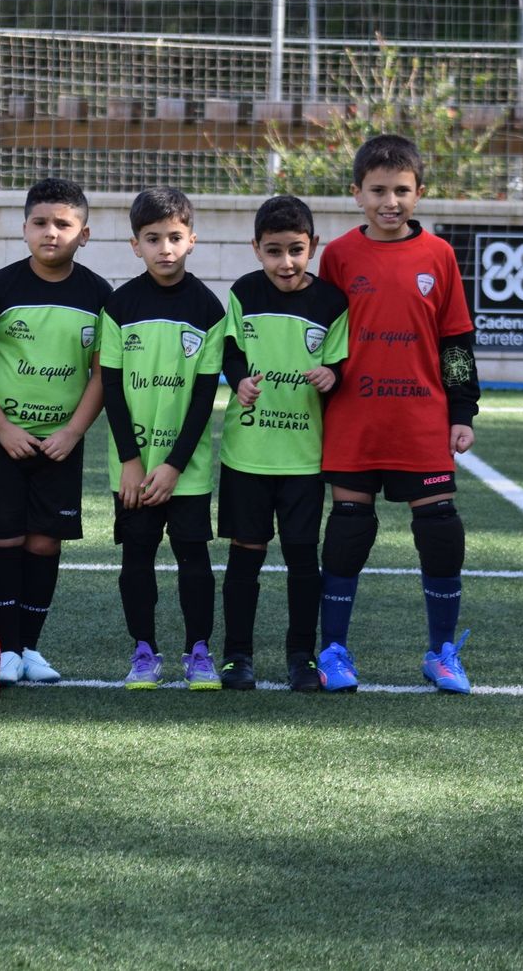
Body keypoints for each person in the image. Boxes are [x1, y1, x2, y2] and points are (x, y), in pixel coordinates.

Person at [315, 134, 480, 693]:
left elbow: (456, 341)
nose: (391, 201)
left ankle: (441, 652)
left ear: (420, 193)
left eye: (402, 190)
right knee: (348, 530)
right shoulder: (336, 256)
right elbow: (323, 339)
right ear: (356, 193)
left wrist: (463, 411)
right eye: (378, 190)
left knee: (439, 529)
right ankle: (333, 651)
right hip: (354, 420)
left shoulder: (439, 256)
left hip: (421, 421)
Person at [0, 178, 111, 686]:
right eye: (41, 223)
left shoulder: (97, 294)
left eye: (64, 224)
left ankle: (31, 646)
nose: (52, 233)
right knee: (3, 539)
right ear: (24, 228)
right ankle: (3, 648)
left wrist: (73, 431)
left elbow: (101, 373)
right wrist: (1, 427)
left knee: (45, 542)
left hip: (59, 443)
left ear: (84, 234)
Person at [216, 196, 349, 693]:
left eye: (296, 250)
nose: (286, 262)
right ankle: (237, 657)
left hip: (303, 457)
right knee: (245, 552)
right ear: (255, 249)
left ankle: (300, 655)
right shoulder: (243, 293)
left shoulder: (331, 303)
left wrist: (330, 374)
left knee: (300, 556)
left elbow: (342, 363)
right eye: (274, 251)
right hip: (247, 453)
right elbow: (231, 351)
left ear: (312, 247)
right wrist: (239, 380)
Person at [98, 186, 226, 690]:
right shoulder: (119, 306)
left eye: (175, 237)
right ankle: (144, 651)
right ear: (136, 245)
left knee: (194, 558)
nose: (165, 248)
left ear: (192, 239)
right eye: (153, 239)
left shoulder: (209, 309)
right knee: (138, 556)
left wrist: (174, 465)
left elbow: (201, 401)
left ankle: (198, 651)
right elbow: (111, 387)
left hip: (185, 468)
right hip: (132, 467)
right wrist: (131, 460)